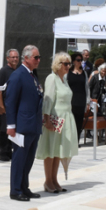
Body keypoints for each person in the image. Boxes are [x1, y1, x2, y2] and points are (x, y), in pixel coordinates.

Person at [5, 45, 44, 202]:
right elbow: (10, 101)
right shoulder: (18, 75)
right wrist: (11, 125)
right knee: (19, 158)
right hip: (22, 125)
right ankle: (15, 190)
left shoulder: (32, 75)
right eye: (36, 57)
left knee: (28, 159)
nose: (38, 60)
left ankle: (24, 187)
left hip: (33, 125)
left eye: (39, 57)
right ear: (26, 58)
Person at [36, 53, 78, 192]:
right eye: (65, 64)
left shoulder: (64, 79)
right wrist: (47, 119)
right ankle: (48, 181)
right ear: (58, 64)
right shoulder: (51, 78)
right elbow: (48, 100)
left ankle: (54, 180)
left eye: (69, 64)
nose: (68, 66)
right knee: (50, 150)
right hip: (55, 118)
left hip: (65, 119)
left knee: (58, 151)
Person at [0, 49, 19, 161]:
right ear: (7, 58)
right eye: (12, 57)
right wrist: (1, 106)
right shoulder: (3, 71)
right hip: (6, 107)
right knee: (4, 130)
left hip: (17, 108)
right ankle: (3, 152)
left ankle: (11, 150)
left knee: (14, 129)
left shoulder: (19, 71)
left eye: (16, 57)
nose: (15, 59)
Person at [67, 52, 88, 145]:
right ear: (73, 61)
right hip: (71, 101)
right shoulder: (68, 73)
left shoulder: (84, 73)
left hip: (81, 101)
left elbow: (87, 88)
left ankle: (76, 142)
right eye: (78, 60)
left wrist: (88, 101)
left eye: (81, 60)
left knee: (79, 123)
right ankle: (70, 141)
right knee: (71, 122)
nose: (80, 62)